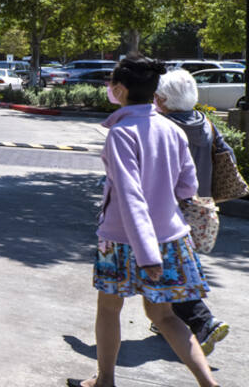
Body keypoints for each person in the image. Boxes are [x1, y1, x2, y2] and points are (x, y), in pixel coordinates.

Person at [71, 54, 219, 387]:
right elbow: (188, 186)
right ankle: (209, 384)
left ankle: (105, 380)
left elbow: (129, 196)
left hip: (124, 241)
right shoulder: (172, 130)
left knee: (109, 310)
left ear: (120, 89)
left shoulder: (121, 134)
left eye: (111, 84)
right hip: (171, 238)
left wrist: (146, 254)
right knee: (165, 317)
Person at [154, 68, 233, 356]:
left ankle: (204, 322)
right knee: (176, 266)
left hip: (169, 209)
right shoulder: (207, 124)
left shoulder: (162, 127)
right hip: (200, 208)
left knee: (168, 270)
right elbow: (228, 159)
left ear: (162, 99)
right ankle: (167, 319)